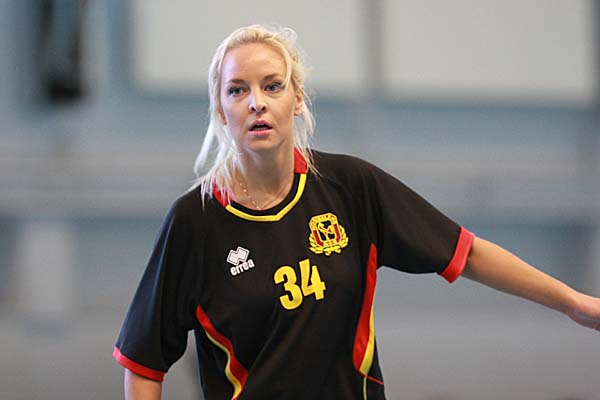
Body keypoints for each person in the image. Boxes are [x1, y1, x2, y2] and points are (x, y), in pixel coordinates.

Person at [113, 24, 600, 400]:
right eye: (237, 90)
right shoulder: (194, 222)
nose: (256, 102)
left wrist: (573, 303)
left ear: (297, 98)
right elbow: (142, 361)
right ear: (221, 110)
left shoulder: (349, 188)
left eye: (272, 86)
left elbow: (466, 254)